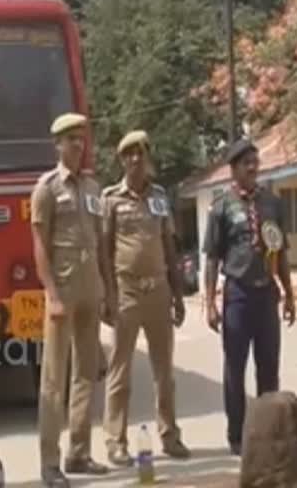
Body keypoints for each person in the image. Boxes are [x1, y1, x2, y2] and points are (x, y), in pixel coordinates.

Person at [30, 113, 115, 487]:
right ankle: (50, 463)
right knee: (54, 380)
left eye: (81, 139)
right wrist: (51, 293)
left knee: (86, 374)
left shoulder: (94, 188)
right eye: (71, 140)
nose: (78, 146)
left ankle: (79, 452)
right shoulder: (47, 188)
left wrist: (107, 292)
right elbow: (39, 245)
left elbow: (100, 245)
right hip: (62, 292)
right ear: (58, 145)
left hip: (89, 289)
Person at [100, 130, 190, 466]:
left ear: (148, 157)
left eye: (142, 152)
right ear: (122, 160)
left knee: (164, 370)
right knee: (119, 370)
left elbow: (170, 247)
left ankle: (170, 435)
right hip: (127, 291)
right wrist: (108, 296)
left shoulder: (160, 197)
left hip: (158, 291)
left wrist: (178, 295)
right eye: (130, 153)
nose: (136, 159)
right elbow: (104, 252)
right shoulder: (111, 199)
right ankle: (115, 441)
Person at [201, 138, 296, 456]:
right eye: (247, 163)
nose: (253, 167)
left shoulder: (272, 204)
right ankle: (237, 435)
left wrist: (289, 294)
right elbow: (212, 257)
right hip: (237, 295)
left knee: (269, 368)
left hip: (266, 294)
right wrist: (210, 303)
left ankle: (267, 433)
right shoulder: (221, 207)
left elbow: (280, 252)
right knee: (235, 369)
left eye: (256, 162)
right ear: (234, 169)